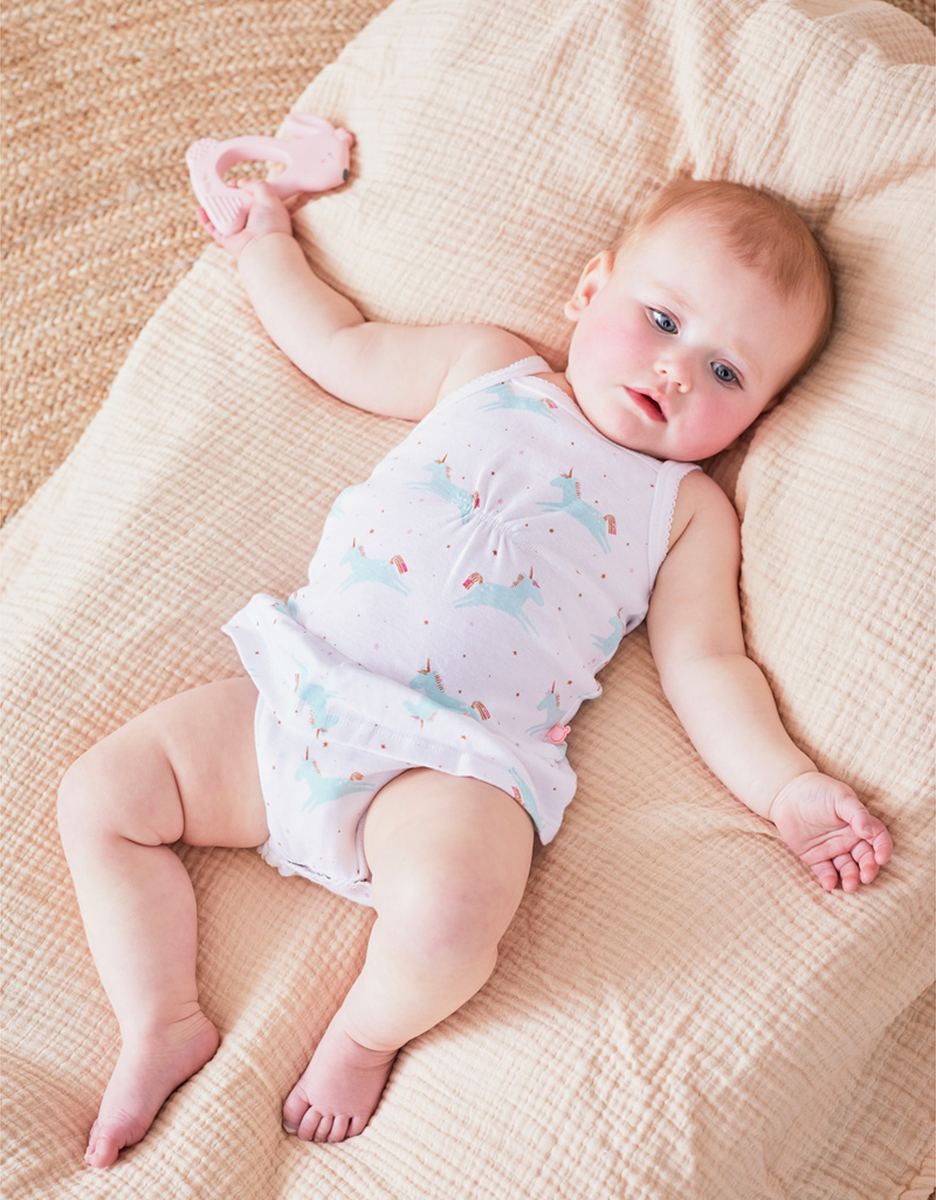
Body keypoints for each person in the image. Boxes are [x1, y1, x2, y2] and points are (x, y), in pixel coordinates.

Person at [57, 175, 893, 1169]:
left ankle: (364, 1033)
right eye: (662, 320)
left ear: (758, 417)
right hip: (299, 690)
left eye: (725, 372)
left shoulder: (685, 512)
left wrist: (789, 789)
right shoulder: (488, 369)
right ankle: (162, 1018)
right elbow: (335, 343)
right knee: (99, 797)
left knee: (453, 918)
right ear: (590, 291)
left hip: (454, 767)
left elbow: (708, 665)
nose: (676, 372)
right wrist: (264, 241)